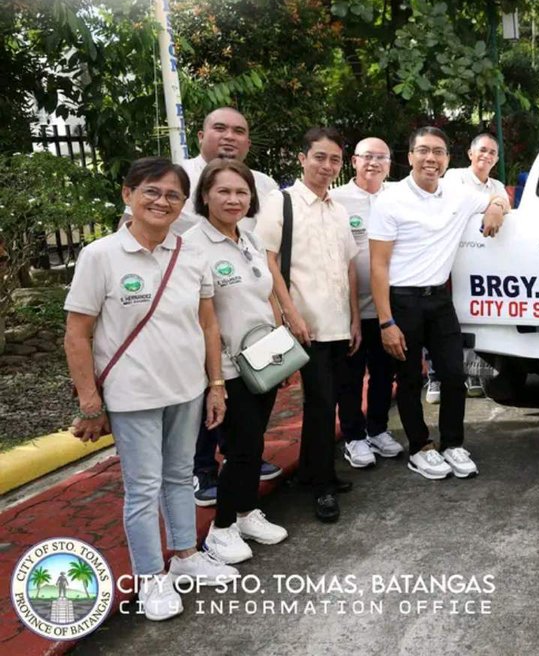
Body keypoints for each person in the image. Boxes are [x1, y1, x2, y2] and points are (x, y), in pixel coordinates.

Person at [64, 157, 237, 622]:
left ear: (184, 204)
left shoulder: (190, 253)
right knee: (143, 489)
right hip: (132, 394)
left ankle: (185, 554)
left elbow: (207, 322)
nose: (162, 201)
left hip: (187, 387)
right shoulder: (100, 256)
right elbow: (77, 333)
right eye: (152, 192)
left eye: (173, 195)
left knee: (180, 476)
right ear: (128, 196)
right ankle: (150, 577)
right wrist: (89, 400)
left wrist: (216, 383)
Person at [368, 126, 509, 481]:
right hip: (403, 301)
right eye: (423, 151)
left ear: (447, 159)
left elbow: (500, 197)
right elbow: (378, 265)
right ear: (411, 155)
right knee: (410, 379)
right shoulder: (390, 199)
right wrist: (386, 322)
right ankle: (420, 447)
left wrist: (495, 206)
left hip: (440, 299)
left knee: (454, 373)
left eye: (438, 152)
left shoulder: (457, 195)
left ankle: (453, 444)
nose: (431, 158)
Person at [184, 160, 290, 563]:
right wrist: (214, 381)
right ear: (205, 195)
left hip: (263, 358)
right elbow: (202, 318)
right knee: (240, 448)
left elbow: (267, 296)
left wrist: (281, 351)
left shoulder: (247, 238)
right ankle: (221, 528)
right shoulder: (194, 246)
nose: (233, 199)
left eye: (241, 192)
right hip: (226, 367)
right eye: (224, 191)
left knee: (254, 442)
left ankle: (246, 512)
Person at [256, 127, 361, 523]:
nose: (326, 165)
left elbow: (349, 268)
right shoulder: (280, 202)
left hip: (338, 325)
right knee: (319, 405)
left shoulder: (338, 209)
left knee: (327, 402)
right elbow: (267, 261)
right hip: (304, 327)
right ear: (302, 158)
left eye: (334, 159)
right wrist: (290, 315)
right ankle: (321, 487)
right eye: (319, 157)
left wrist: (355, 320)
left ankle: (318, 473)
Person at [329, 137, 405, 469]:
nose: (373, 163)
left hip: (389, 306)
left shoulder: (400, 197)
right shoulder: (336, 200)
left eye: (381, 158)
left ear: (390, 164)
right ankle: (354, 437)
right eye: (366, 157)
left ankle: (377, 429)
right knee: (350, 374)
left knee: (384, 373)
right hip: (350, 307)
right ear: (354, 162)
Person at [440, 131, 506, 399]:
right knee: (444, 320)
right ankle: (435, 377)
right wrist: (493, 206)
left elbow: (506, 204)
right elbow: (463, 203)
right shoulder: (456, 177)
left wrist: (499, 205)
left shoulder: (496, 185)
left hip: (479, 264)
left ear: (496, 158)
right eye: (482, 150)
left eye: (492, 152)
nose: (486, 155)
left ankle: (473, 374)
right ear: (470, 153)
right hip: (445, 261)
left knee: (474, 319)